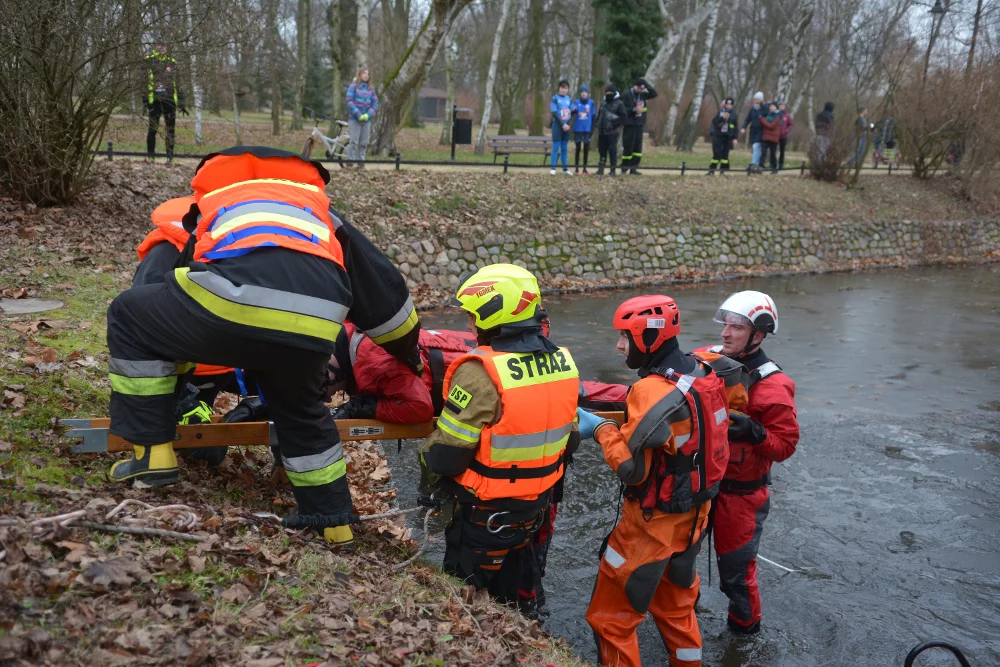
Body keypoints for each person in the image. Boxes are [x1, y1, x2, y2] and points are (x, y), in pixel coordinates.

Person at [104, 146, 421, 549]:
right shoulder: (320, 212)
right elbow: (385, 296)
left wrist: (178, 381)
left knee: (130, 314)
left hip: (229, 308)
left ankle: (152, 457)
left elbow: (179, 280)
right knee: (303, 413)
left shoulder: (215, 201)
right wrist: (409, 354)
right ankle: (333, 523)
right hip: (314, 323)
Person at [580, 295, 730, 667]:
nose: (618, 346)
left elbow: (633, 469)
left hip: (650, 529)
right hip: (694, 521)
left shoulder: (650, 391)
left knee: (611, 621)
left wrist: (600, 429)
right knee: (678, 613)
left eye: (624, 338)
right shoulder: (705, 373)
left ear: (647, 339)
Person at [421, 264, 580, 607]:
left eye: (472, 316)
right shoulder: (564, 364)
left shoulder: (480, 373)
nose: (468, 325)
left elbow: (445, 456)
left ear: (493, 315)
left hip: (483, 517)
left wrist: (427, 472)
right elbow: (571, 439)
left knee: (462, 603)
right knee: (512, 604)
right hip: (534, 513)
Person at [704, 290, 799, 634]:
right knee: (675, 563)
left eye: (736, 328)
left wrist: (755, 432)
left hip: (741, 497)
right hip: (700, 486)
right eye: (725, 325)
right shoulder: (708, 362)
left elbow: (785, 446)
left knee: (736, 577)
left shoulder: (775, 387)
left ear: (758, 335)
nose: (725, 334)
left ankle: (744, 636)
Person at [145, 45, 187, 163]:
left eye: (164, 46)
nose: (162, 48)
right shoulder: (149, 60)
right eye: (159, 45)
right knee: (152, 129)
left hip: (169, 102)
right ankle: (151, 156)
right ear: (155, 47)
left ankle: (170, 157)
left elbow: (178, 83)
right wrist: (145, 101)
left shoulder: (172, 62)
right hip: (154, 101)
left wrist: (181, 101)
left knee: (170, 130)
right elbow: (143, 82)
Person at [620, 77, 658, 175]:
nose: (640, 90)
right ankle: (624, 168)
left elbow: (654, 94)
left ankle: (633, 168)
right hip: (630, 125)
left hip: (639, 124)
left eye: (642, 88)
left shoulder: (642, 95)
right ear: (635, 86)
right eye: (639, 88)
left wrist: (646, 84)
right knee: (628, 146)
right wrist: (633, 109)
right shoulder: (626, 94)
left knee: (637, 148)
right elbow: (622, 109)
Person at [346, 67, 379, 168]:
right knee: (353, 141)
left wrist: (368, 114)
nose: (366, 75)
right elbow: (349, 100)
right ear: (360, 74)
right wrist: (358, 114)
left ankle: (361, 162)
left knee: (364, 142)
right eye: (364, 73)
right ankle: (350, 162)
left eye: (368, 74)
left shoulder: (371, 89)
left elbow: (375, 103)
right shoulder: (353, 86)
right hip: (355, 119)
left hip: (366, 120)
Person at [594, 84, 627, 177]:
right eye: (606, 92)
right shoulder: (603, 103)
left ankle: (612, 170)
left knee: (612, 151)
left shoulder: (619, 104)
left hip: (612, 132)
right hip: (602, 131)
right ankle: (601, 169)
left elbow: (623, 118)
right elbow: (600, 114)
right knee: (602, 150)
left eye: (610, 93)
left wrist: (614, 124)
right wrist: (597, 124)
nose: (608, 94)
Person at [550, 80, 574, 175]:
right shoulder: (555, 98)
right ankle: (553, 168)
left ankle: (565, 169)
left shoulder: (569, 99)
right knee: (556, 147)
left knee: (564, 148)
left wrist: (568, 125)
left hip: (566, 127)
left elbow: (570, 113)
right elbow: (554, 113)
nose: (564, 90)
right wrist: (562, 124)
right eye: (562, 88)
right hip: (557, 125)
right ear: (559, 88)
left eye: (566, 88)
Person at [708, 98, 738, 175]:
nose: (728, 106)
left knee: (725, 155)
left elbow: (735, 127)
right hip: (719, 135)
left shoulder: (734, 115)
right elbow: (715, 121)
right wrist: (722, 118)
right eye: (727, 104)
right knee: (717, 153)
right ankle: (712, 170)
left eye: (730, 104)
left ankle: (723, 171)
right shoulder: (721, 112)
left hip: (728, 136)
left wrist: (735, 138)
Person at [572, 85, 597, 175]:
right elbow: (572, 112)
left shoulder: (591, 103)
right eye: (582, 92)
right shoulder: (576, 102)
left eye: (585, 92)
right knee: (578, 148)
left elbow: (594, 117)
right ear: (580, 94)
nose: (583, 94)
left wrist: (592, 130)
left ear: (588, 94)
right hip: (578, 129)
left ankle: (584, 169)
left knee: (586, 149)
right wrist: (573, 110)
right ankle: (576, 169)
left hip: (587, 130)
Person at [741, 92, 766, 173]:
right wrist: (743, 127)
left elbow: (767, 119)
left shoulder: (765, 108)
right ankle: (755, 163)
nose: (755, 100)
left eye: (757, 99)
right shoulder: (753, 109)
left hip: (761, 130)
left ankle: (754, 163)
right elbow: (748, 119)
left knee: (756, 146)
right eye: (755, 99)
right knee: (755, 147)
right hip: (753, 130)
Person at [759, 102, 781, 174]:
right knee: (763, 152)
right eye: (771, 106)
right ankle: (760, 166)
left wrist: (762, 120)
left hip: (773, 138)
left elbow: (771, 126)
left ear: (776, 108)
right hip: (765, 136)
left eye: (773, 106)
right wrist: (760, 119)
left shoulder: (778, 116)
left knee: (773, 154)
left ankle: (774, 167)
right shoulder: (768, 114)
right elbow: (763, 125)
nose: (771, 107)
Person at [777, 101, 793, 170]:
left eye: (783, 106)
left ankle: (781, 164)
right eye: (780, 105)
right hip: (775, 135)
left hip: (783, 136)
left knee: (782, 151)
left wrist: (786, 131)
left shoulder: (787, 115)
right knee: (773, 150)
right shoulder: (776, 114)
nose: (782, 107)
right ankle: (773, 163)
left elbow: (791, 124)